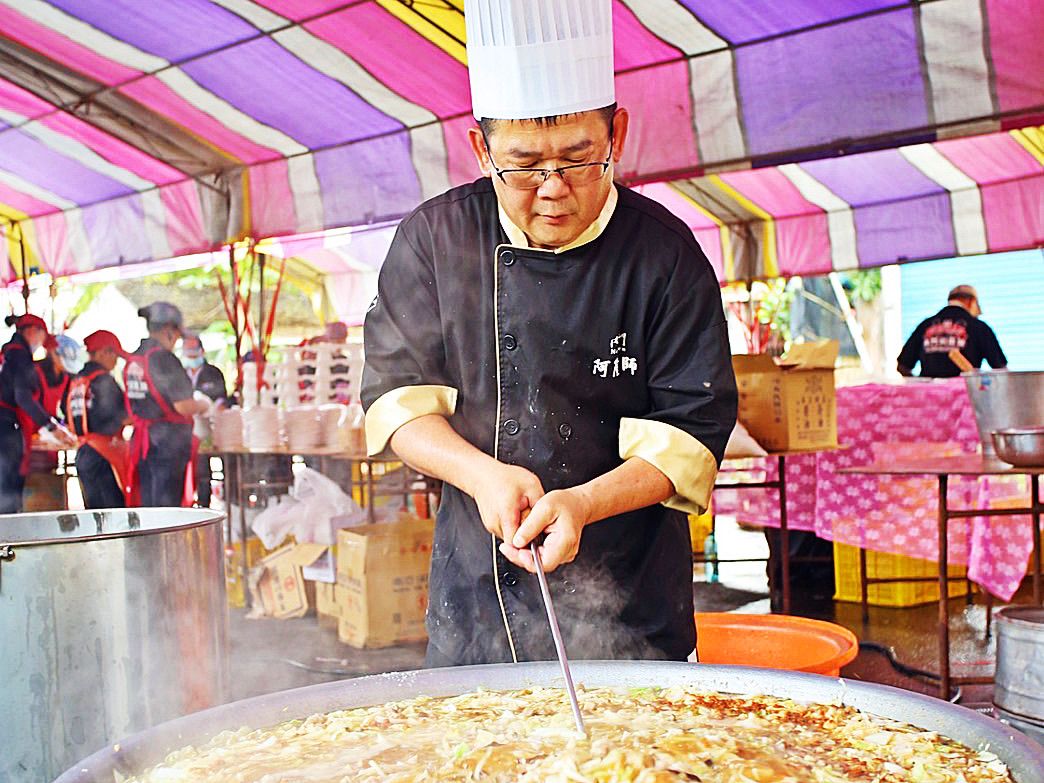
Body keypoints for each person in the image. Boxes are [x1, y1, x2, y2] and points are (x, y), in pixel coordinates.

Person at [361, 0, 737, 667]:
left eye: (578, 158)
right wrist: (481, 476)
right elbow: (397, 403)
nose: (552, 189)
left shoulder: (664, 256)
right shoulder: (435, 241)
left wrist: (585, 503)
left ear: (616, 134)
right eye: (523, 164)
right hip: (476, 602)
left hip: (633, 606)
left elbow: (691, 432)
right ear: (480, 150)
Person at [125, 303, 209, 507]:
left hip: (144, 444)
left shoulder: (135, 357)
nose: (177, 340)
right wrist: (203, 405)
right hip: (167, 445)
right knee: (167, 512)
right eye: (178, 334)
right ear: (168, 330)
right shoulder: (163, 358)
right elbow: (183, 406)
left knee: (149, 508)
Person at [0, 314, 76, 513]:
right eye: (42, 336)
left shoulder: (9, 354)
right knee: (8, 492)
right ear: (32, 331)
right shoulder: (19, 357)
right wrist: (50, 426)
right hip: (6, 430)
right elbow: (23, 398)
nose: (42, 344)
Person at [65, 330, 130, 509]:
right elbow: (124, 415)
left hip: (83, 453)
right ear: (102, 353)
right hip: (103, 455)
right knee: (112, 514)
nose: (116, 361)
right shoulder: (104, 380)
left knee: (93, 513)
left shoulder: (77, 380)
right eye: (114, 355)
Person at [897, 284, 1008, 378]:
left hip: (931, 398)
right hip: (964, 398)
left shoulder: (925, 325)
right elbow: (1001, 370)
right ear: (972, 302)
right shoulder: (979, 327)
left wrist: (923, 387)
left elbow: (903, 366)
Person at [180, 333, 227, 507]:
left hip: (211, 428)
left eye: (194, 350)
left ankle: (212, 503)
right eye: (187, 351)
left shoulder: (213, 373)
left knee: (209, 469)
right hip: (187, 430)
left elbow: (223, 398)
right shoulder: (180, 374)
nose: (191, 355)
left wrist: (215, 407)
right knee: (193, 471)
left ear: (202, 351)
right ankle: (194, 505)